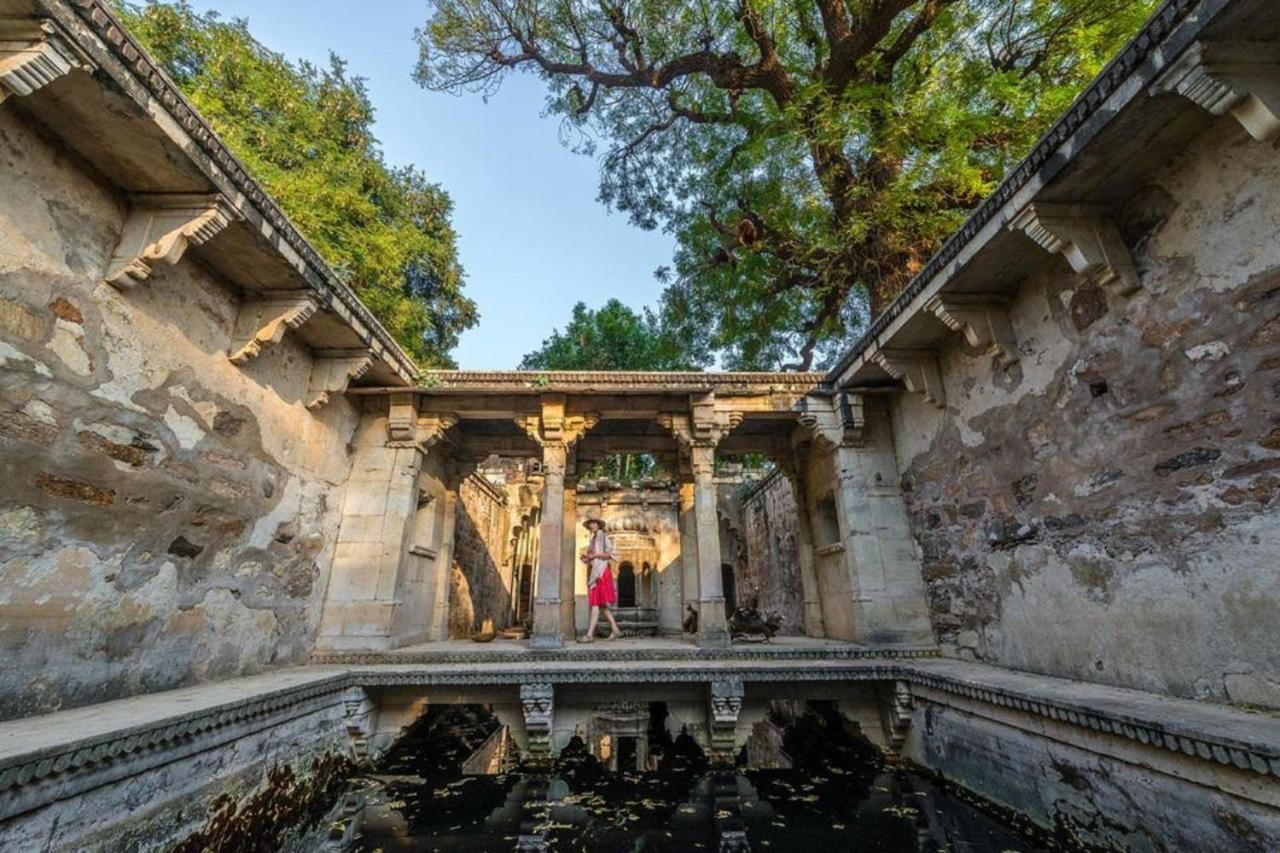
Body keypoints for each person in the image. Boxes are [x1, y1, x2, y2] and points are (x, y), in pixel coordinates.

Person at [579, 517, 621, 642]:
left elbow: (611, 554)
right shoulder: (593, 539)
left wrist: (595, 555)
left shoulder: (603, 537)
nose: (592, 525)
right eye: (590, 523)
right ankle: (615, 629)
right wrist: (587, 558)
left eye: (594, 523)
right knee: (602, 605)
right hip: (595, 570)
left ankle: (590, 635)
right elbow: (593, 557)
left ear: (598, 525)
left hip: (601, 572)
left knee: (596, 603)